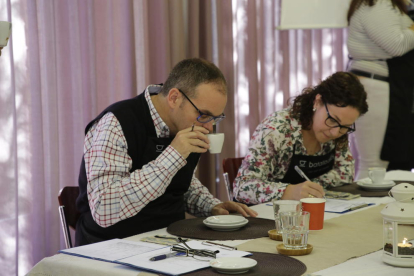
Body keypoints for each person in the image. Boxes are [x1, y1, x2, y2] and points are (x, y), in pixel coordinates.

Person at [75, 58, 257, 246]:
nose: (209, 128)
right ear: (174, 98)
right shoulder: (116, 123)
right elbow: (104, 210)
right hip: (109, 247)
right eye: (204, 115)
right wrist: (173, 155)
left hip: (169, 241)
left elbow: (179, 185)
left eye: (215, 118)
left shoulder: (186, 123)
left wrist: (211, 206)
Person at [233, 72, 368, 204]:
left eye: (345, 126)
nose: (335, 133)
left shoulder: (338, 131)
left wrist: (309, 188)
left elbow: (345, 174)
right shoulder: (277, 129)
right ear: (318, 101)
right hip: (269, 219)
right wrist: (288, 191)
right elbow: (242, 188)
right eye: (332, 120)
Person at [347, 0, 414, 179]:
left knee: (386, 161)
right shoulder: (377, 4)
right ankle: (366, 206)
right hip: (375, 86)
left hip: (386, 85)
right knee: (374, 164)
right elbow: (396, 45)